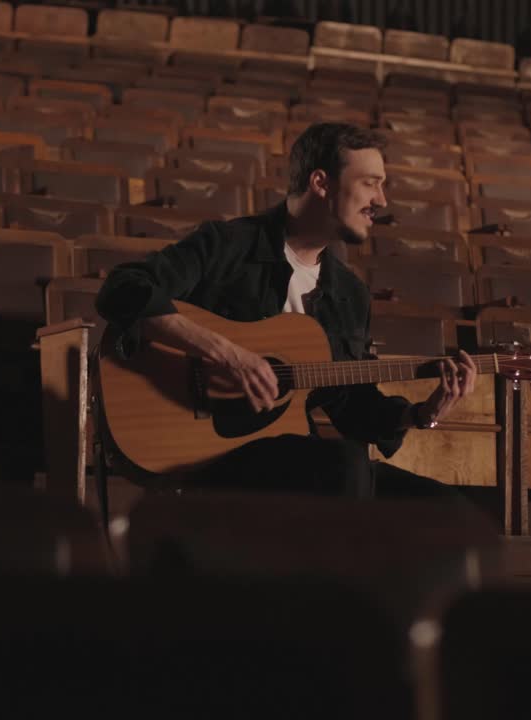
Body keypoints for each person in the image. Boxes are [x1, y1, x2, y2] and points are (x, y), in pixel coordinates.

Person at [95, 123, 477, 498]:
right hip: (207, 452)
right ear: (321, 183)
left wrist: (423, 413)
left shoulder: (349, 293)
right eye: (370, 183)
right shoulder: (228, 245)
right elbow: (123, 287)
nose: (382, 200)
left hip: (291, 456)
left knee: (446, 509)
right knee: (345, 467)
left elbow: (351, 407)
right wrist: (227, 354)